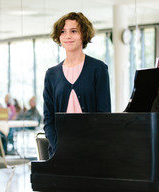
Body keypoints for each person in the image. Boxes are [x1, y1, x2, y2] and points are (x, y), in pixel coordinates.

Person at [43, 12, 111, 157]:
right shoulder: (51, 74)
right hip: (59, 153)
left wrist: (91, 146)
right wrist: (58, 147)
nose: (68, 36)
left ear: (83, 35)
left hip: (92, 151)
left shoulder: (98, 69)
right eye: (63, 32)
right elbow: (49, 120)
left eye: (73, 31)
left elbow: (104, 115)